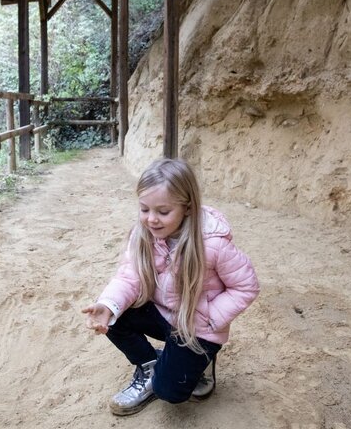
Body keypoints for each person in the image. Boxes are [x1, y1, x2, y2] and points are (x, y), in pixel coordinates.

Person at [82, 158, 260, 416]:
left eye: (163, 212)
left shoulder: (213, 244)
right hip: (163, 314)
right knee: (115, 316)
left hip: (197, 326)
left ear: (187, 208)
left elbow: (246, 287)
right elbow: (130, 276)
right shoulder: (142, 235)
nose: (151, 220)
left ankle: (200, 362)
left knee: (170, 392)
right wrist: (108, 305)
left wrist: (209, 320)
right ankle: (150, 365)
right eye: (144, 209)